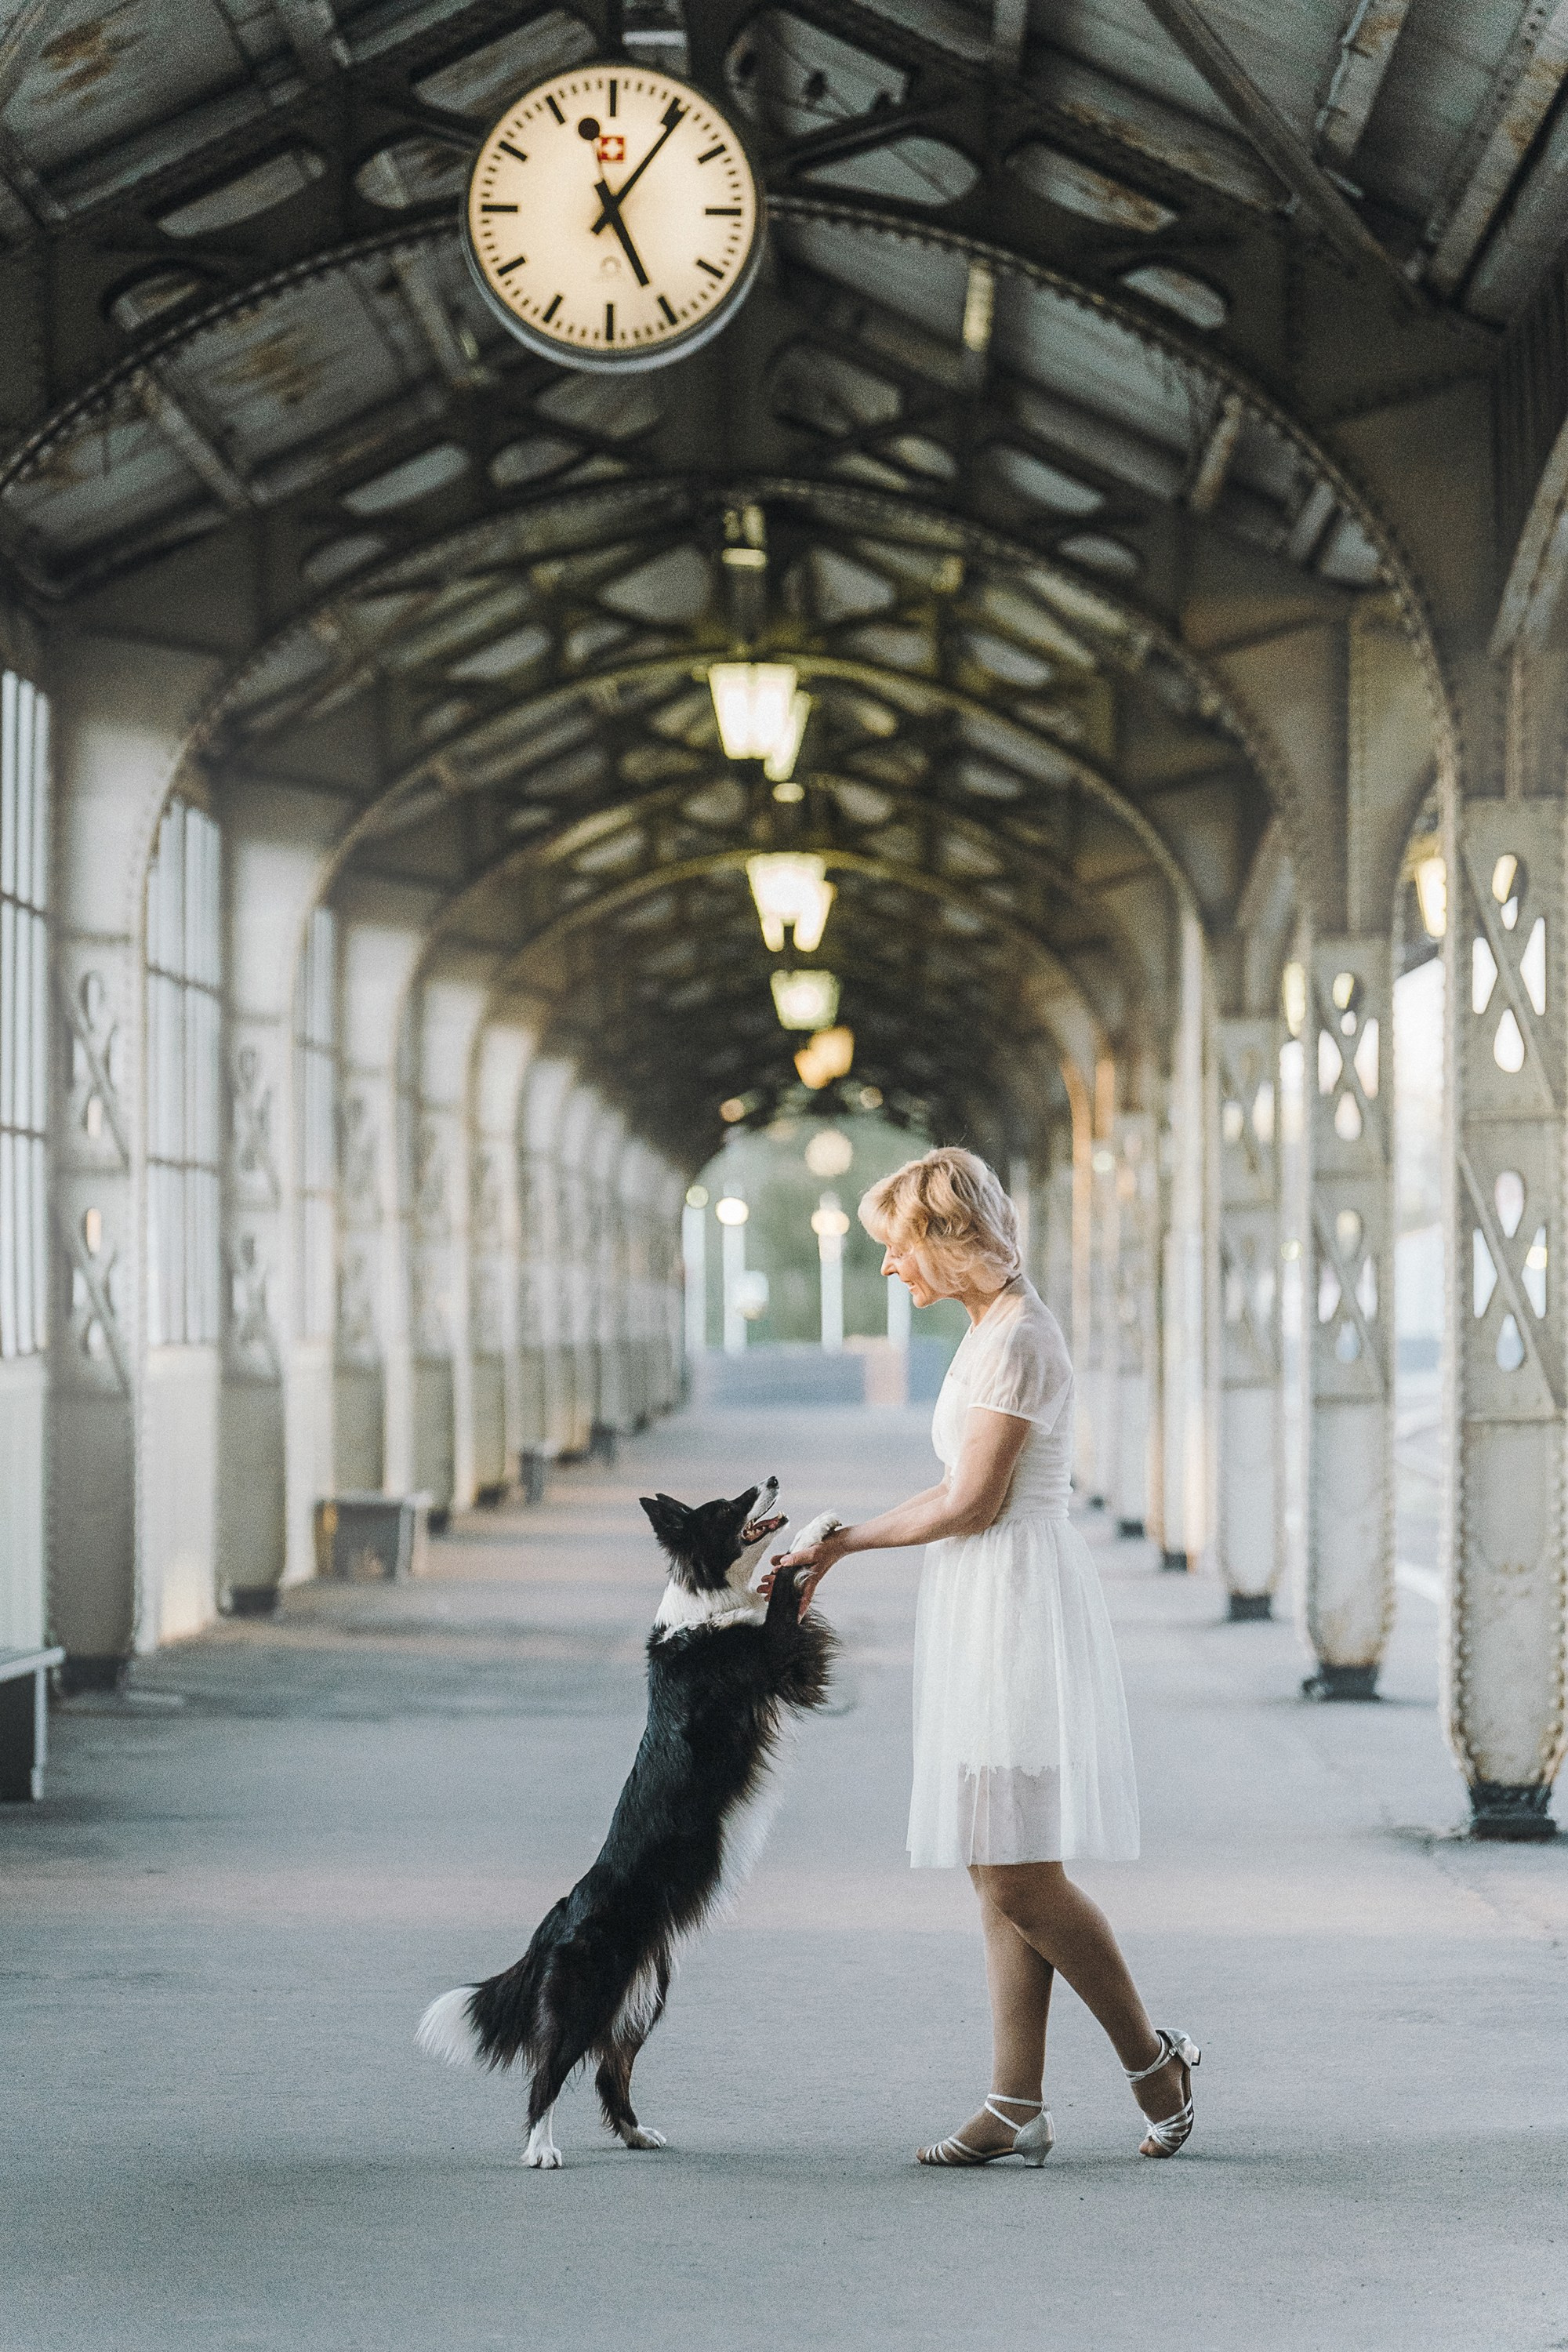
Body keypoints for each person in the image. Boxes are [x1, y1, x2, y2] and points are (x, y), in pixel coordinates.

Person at [766, 1146, 1198, 2168]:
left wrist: (847, 1546)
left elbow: (972, 1503)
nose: (886, 1268)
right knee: (995, 1861)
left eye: (895, 1247)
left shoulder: (1019, 1342)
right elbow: (952, 1491)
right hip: (983, 1593)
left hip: (1016, 1598)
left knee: (1019, 1870)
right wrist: (845, 1542)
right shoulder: (987, 1333)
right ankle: (1016, 2102)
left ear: (948, 1240)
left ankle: (1154, 2065)